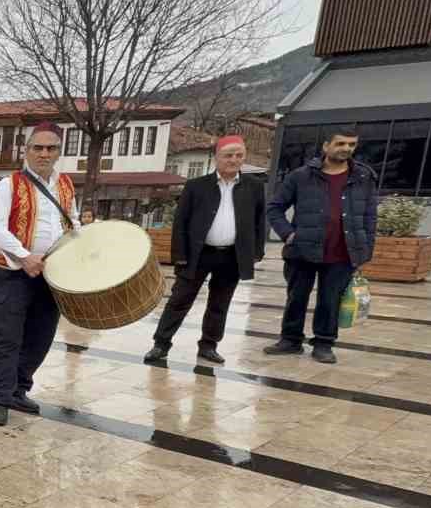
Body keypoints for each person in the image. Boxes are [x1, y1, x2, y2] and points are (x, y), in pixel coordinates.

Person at [0, 122, 79, 426]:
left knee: (41, 336)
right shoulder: (8, 185)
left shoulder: (65, 185)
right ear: (27, 150)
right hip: (12, 272)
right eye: (38, 147)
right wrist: (24, 257)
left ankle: (19, 389)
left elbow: (72, 222)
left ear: (59, 152)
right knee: (8, 337)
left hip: (51, 275)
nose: (44, 154)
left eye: (51, 148)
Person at [145, 135, 267, 365]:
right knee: (179, 300)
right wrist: (180, 256)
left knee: (220, 303)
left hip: (231, 255)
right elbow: (180, 223)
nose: (233, 160)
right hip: (199, 254)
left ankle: (209, 345)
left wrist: (256, 252)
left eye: (238, 155)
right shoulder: (196, 186)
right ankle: (161, 343)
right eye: (228, 155)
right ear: (217, 158)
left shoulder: (254, 187)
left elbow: (260, 221)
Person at [264, 127, 379, 364]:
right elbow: (274, 208)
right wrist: (288, 234)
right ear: (326, 146)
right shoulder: (300, 176)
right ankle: (290, 340)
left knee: (330, 300)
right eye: (340, 143)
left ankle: (324, 343)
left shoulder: (364, 177)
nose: (346, 148)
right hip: (302, 250)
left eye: (351, 144)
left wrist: (365, 249)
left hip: (343, 252)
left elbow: (370, 216)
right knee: (296, 297)